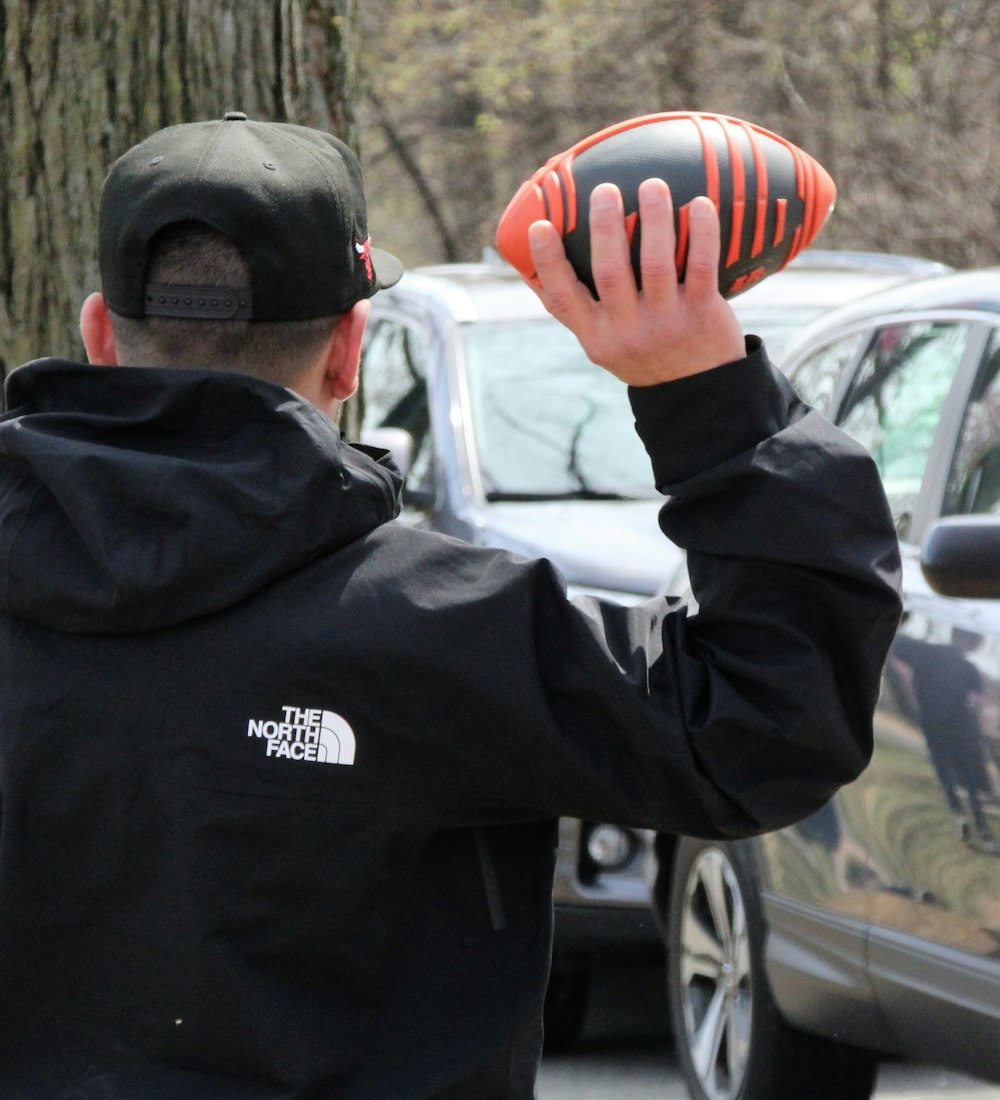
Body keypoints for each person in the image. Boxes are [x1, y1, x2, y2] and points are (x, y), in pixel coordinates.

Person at [0, 113, 901, 1099]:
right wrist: (711, 400)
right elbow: (768, 718)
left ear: (99, 335)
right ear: (349, 350)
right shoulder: (442, 627)